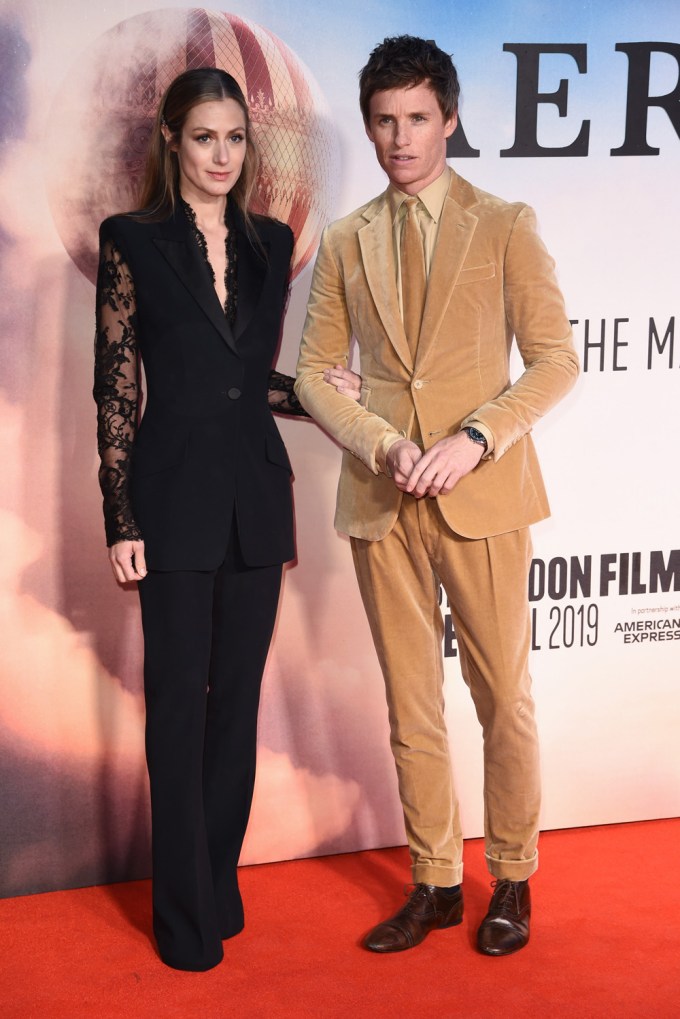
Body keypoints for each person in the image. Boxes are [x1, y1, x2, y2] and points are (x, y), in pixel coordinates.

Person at [296, 35, 579, 957]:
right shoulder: (345, 240)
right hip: (385, 500)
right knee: (411, 703)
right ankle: (436, 881)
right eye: (384, 120)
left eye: (418, 118)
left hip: (483, 493)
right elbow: (309, 375)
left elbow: (555, 360)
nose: (400, 137)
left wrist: (474, 438)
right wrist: (381, 442)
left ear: (449, 119)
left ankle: (513, 878)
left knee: (504, 697)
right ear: (371, 126)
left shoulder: (505, 221)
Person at [93, 67, 358, 971]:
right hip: (167, 501)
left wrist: (317, 395)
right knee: (176, 708)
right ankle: (182, 917)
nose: (221, 155)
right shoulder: (130, 238)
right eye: (205, 137)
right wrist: (118, 516)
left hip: (254, 496)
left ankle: (216, 879)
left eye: (236, 139)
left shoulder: (270, 240)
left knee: (235, 707)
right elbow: (118, 384)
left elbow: (245, 380)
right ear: (173, 139)